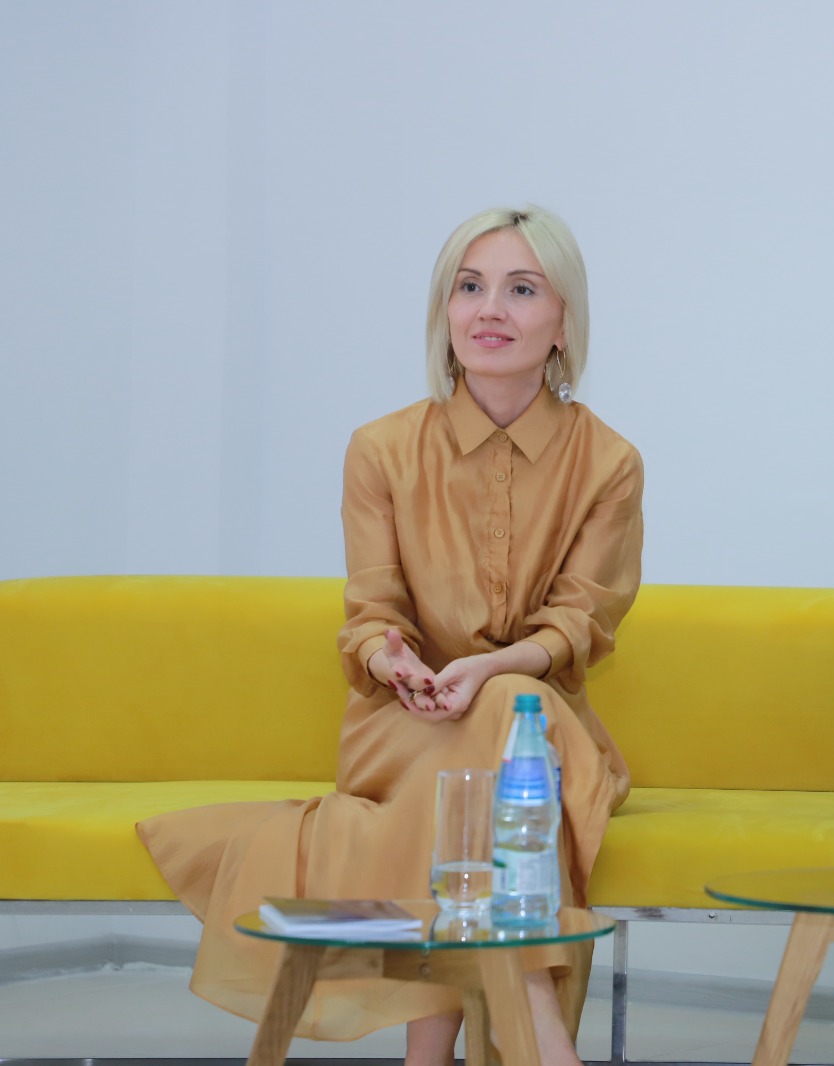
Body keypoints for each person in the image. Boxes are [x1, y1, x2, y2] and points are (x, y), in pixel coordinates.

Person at [138, 205, 644, 1066]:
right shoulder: (380, 449)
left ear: (565, 324)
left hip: (538, 730)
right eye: (470, 287)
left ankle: (435, 1052)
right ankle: (531, 1013)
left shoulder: (609, 462)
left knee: (510, 704)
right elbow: (370, 612)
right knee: (493, 737)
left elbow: (579, 621)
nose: (490, 309)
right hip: (403, 726)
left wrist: (490, 669)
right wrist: (393, 659)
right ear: (446, 312)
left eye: (522, 290)